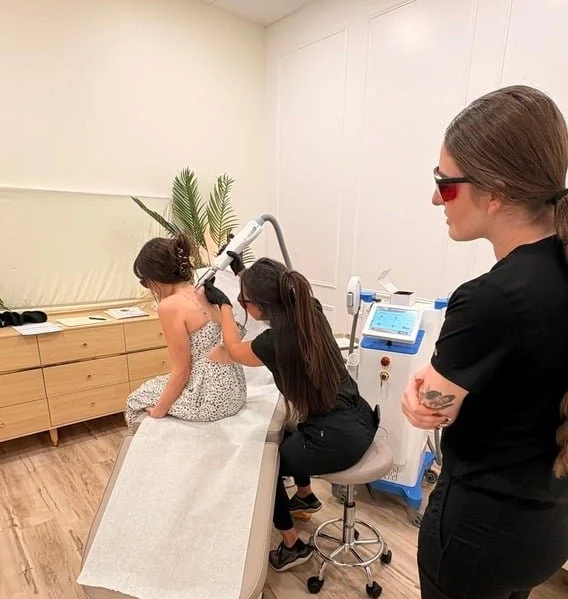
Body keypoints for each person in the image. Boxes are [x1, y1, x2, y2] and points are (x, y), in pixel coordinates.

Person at [375, 85, 568, 599]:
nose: (435, 198)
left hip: (480, 533)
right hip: (559, 516)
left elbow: (430, 404)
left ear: (496, 191)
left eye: (444, 183)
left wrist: (424, 377)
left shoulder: (488, 298)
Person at [203, 257, 379, 571]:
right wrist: (244, 274)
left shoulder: (273, 343)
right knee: (286, 433)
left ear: (256, 305)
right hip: (361, 416)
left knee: (264, 467)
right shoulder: (311, 310)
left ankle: (292, 544)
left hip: (336, 439)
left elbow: (231, 347)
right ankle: (306, 496)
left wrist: (226, 306)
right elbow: (275, 293)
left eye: (247, 301)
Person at [125, 234, 246, 428]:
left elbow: (182, 371)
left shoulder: (169, 306)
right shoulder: (203, 291)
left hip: (209, 398)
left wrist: (158, 412)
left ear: (155, 277)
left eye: (145, 282)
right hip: (235, 390)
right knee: (156, 385)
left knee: (136, 399)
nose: (148, 288)